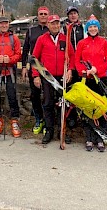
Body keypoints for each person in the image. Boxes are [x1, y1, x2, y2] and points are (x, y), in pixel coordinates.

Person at [32, 14, 75, 144]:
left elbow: (72, 56)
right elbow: (34, 58)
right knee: (48, 103)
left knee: (64, 105)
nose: (55, 26)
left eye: (57, 23)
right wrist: (36, 75)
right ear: (48, 25)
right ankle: (49, 130)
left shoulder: (65, 39)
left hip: (62, 76)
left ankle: (63, 130)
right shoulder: (42, 39)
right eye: (53, 23)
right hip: (47, 76)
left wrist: (70, 70)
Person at [75, 15, 107, 152]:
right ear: (87, 28)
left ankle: (100, 137)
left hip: (100, 78)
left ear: (98, 28)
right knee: (87, 109)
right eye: (90, 26)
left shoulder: (104, 42)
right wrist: (83, 71)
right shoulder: (81, 43)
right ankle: (89, 137)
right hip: (86, 80)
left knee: (100, 107)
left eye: (95, 26)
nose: (93, 29)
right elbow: (76, 60)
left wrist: (97, 69)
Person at [0, 16, 22, 137]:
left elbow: (18, 55)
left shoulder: (14, 38)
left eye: (6, 23)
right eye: (1, 23)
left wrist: (10, 59)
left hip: (9, 71)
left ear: (8, 25)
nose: (4, 25)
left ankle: (14, 120)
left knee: (12, 95)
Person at [21, 6, 49, 135]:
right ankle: (39, 119)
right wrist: (23, 67)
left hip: (49, 66)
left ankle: (49, 121)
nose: (43, 16)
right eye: (41, 14)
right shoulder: (31, 31)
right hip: (35, 65)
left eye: (45, 14)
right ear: (37, 16)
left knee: (49, 95)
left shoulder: (52, 29)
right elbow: (26, 49)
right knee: (35, 94)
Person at [61, 5, 87, 143]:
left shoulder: (83, 28)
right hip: (69, 64)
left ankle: (83, 117)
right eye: (70, 13)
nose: (73, 16)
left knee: (82, 92)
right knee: (69, 92)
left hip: (81, 65)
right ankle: (69, 121)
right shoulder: (64, 28)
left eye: (75, 13)